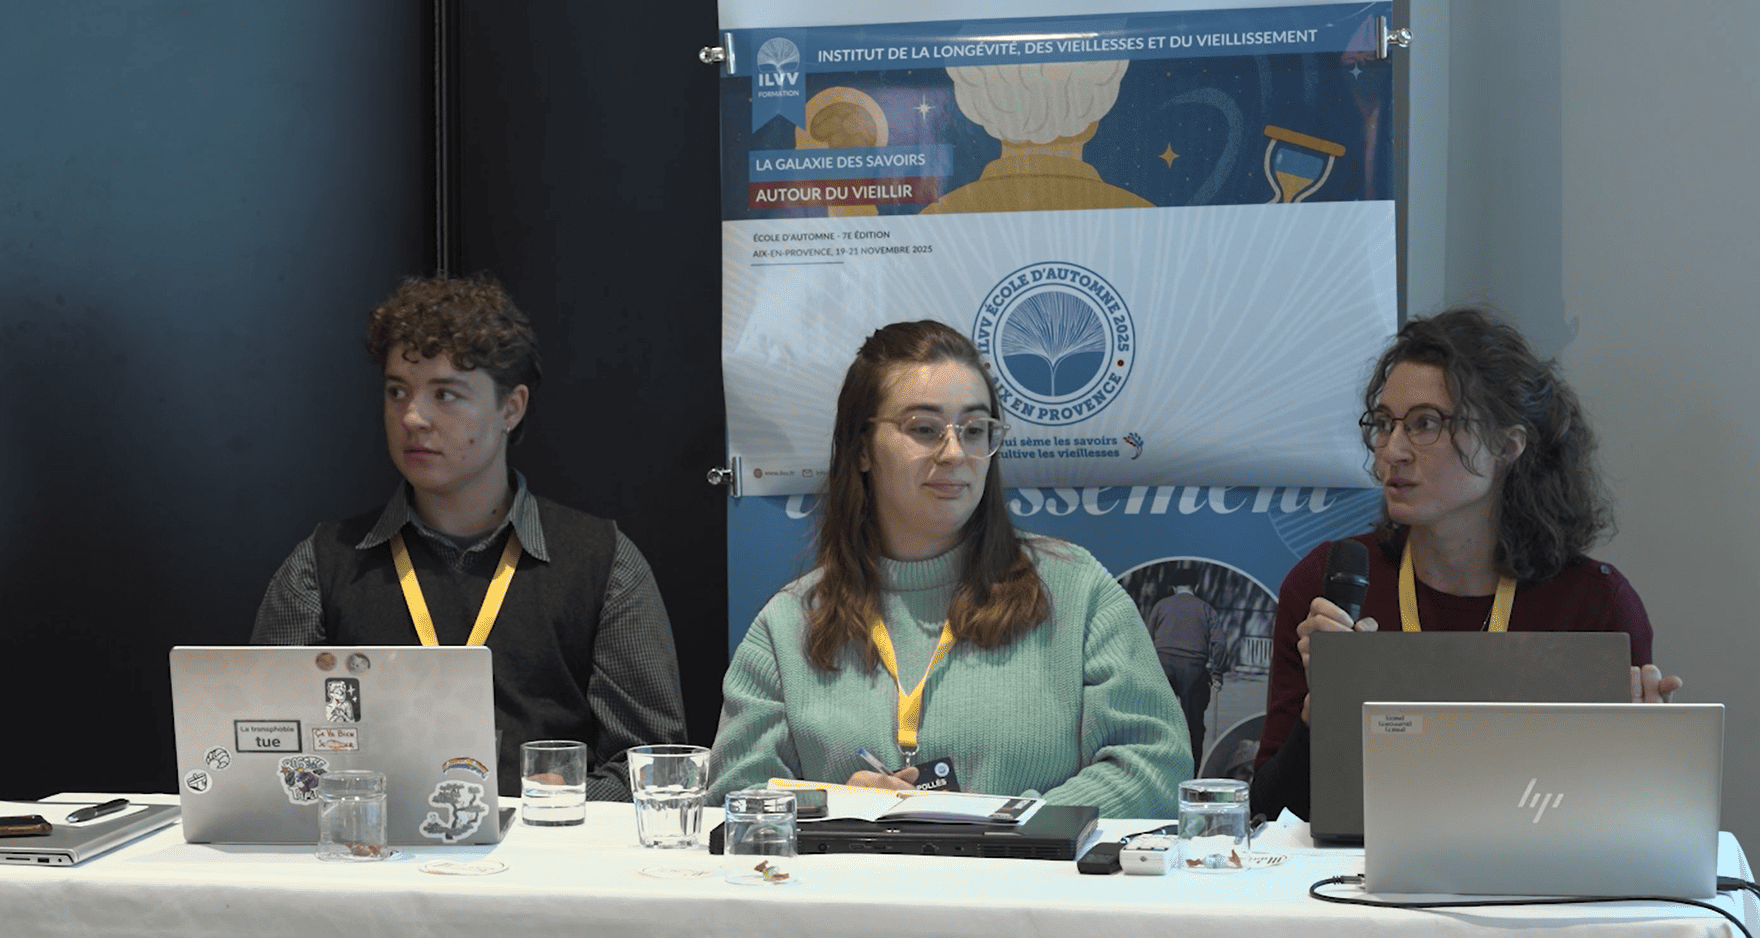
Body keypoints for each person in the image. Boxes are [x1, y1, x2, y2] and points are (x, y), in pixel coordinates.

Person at [709, 320, 1190, 817]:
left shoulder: (1075, 591)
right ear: (861, 449)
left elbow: (1155, 766)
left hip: (1022, 868)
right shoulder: (788, 624)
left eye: (975, 430)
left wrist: (1004, 825)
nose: (956, 452)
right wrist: (833, 805)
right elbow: (731, 797)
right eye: (924, 429)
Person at [250, 273, 686, 800]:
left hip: (543, 845)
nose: (413, 417)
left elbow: (653, 768)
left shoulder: (603, 563)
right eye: (397, 391)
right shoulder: (322, 567)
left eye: (446, 395)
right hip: (368, 843)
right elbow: (269, 755)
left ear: (511, 408)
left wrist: (554, 808)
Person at [1250, 308, 1680, 821]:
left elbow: (1622, 823)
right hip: (1364, 871)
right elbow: (1268, 814)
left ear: (1507, 445)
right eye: (1384, 424)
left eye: (1425, 423)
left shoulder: (1593, 604)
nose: (1393, 451)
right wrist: (1322, 711)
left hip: (1534, 869)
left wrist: (1644, 754)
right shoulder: (1330, 585)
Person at [1144, 584, 1226, 771]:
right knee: (1194, 726)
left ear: (1173, 587)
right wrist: (1217, 675)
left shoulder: (1161, 605)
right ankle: (1192, 773)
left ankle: (1157, 768)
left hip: (1163, 666)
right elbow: (1219, 644)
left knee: (1159, 720)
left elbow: (1146, 637)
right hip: (1193, 669)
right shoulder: (1206, 608)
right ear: (1196, 586)